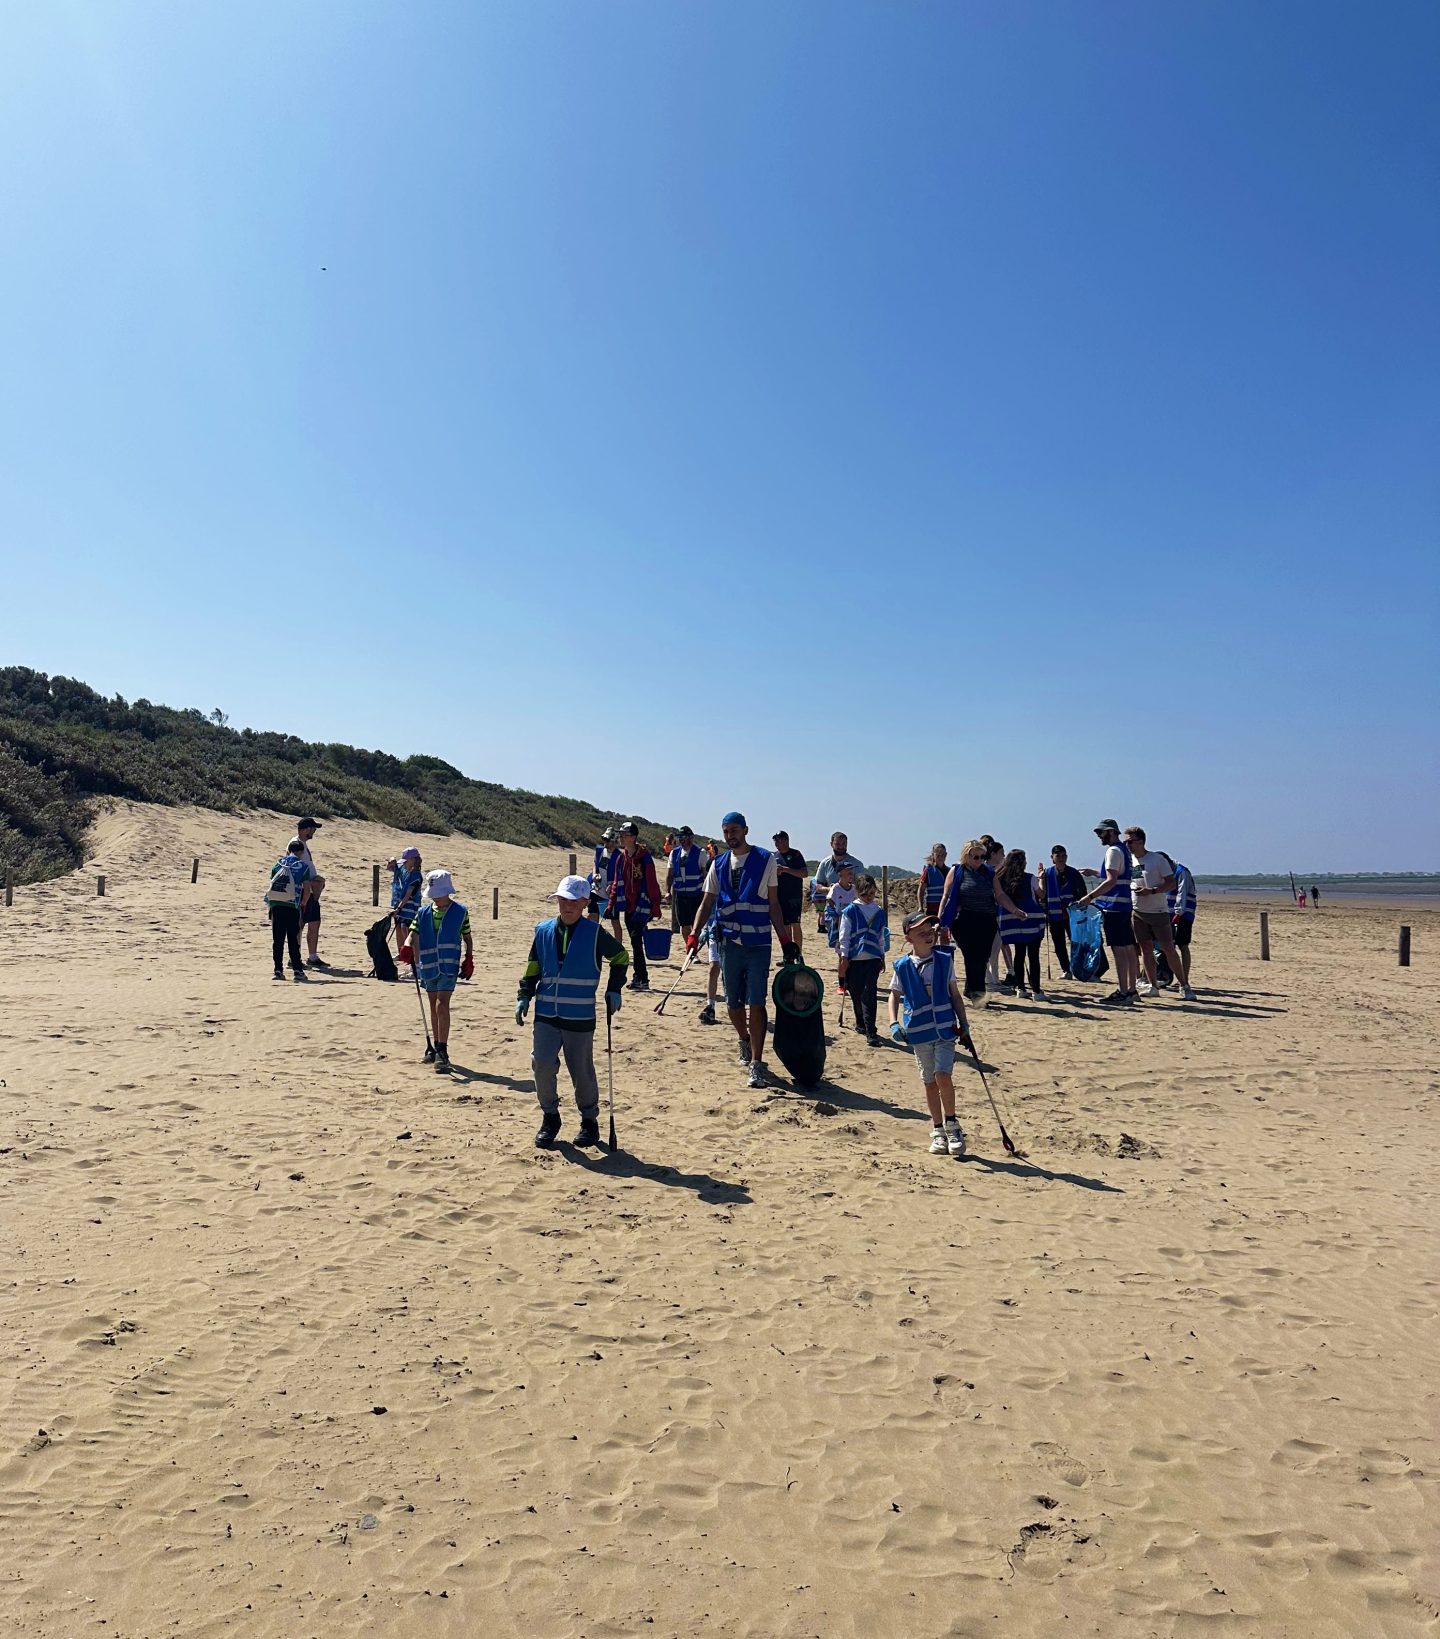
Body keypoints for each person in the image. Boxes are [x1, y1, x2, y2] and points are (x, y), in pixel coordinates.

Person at [685, 812, 797, 1090]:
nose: (730, 835)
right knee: (733, 1004)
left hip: (759, 943)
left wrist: (785, 940)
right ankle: (744, 1039)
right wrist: (694, 933)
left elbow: (773, 904)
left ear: (745, 830)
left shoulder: (765, 860)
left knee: (756, 1002)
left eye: (734, 830)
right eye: (726, 831)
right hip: (729, 944)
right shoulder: (718, 863)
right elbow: (707, 902)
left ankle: (757, 1063)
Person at [516, 874, 629, 1148]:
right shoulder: (543, 931)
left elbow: (621, 957)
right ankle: (550, 1117)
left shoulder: (595, 933)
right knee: (542, 1064)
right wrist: (524, 996)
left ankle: (589, 1121)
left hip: (579, 1016)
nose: (567, 906)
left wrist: (614, 988)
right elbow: (533, 967)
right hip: (546, 1014)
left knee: (582, 1071)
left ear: (585, 903)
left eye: (574, 902)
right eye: (563, 900)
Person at [888, 910, 975, 1158]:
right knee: (929, 1082)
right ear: (909, 938)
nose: (929, 936)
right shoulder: (902, 966)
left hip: (945, 1030)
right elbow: (894, 995)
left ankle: (952, 1125)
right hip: (919, 1033)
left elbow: (954, 995)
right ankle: (937, 1130)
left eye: (931, 931)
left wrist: (964, 1024)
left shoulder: (945, 960)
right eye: (922, 933)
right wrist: (894, 1023)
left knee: (942, 1075)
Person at [397, 870, 474, 1072]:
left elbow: (467, 936)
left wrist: (469, 957)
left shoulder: (460, 912)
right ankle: (435, 1045)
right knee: (433, 1005)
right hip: (428, 965)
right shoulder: (423, 912)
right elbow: (413, 932)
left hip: (449, 966)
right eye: (433, 895)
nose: (436, 898)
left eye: (439, 894)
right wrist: (407, 946)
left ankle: (442, 1050)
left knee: (442, 1004)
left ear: (447, 892)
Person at [937, 839, 1024, 1001]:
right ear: (966, 856)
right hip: (964, 920)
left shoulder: (989, 872)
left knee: (982, 957)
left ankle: (970, 990)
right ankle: (979, 994)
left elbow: (999, 894)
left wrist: (1014, 910)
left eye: (982, 857)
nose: (979, 860)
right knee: (971, 956)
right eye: (975, 857)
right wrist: (940, 919)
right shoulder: (957, 871)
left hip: (987, 920)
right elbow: (946, 896)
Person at [1120, 826, 1197, 1001]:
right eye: (1126, 842)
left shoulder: (1157, 859)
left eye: (1130, 841)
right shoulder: (1132, 861)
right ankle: (1153, 986)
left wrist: (1152, 891)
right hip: (1138, 912)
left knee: (1168, 949)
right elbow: (1133, 879)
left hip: (1159, 912)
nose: (1127, 845)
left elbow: (1171, 883)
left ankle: (1184, 986)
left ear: (1141, 841)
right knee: (1146, 949)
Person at [1075, 820, 1139, 1005]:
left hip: (1113, 907)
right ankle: (1131, 989)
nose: (1099, 837)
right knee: (1128, 948)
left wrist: (1090, 897)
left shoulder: (1113, 851)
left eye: (1101, 833)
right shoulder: (1124, 851)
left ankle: (1124, 991)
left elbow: (1111, 880)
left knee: (1119, 950)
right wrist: (1096, 873)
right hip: (1124, 906)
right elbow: (1118, 876)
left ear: (1110, 832)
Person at [608, 822, 663, 992]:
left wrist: (656, 906)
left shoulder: (645, 858)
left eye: (624, 835)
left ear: (633, 837)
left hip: (642, 906)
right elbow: (616, 883)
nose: (621, 838)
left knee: (636, 940)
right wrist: (611, 904)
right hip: (628, 907)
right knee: (635, 942)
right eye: (620, 835)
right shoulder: (621, 858)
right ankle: (639, 977)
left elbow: (652, 883)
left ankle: (642, 978)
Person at [837, 874, 889, 1044]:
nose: (869, 897)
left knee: (869, 993)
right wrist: (844, 956)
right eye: (865, 894)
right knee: (855, 992)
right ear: (857, 892)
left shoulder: (879, 912)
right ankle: (860, 1021)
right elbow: (844, 935)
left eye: (872, 893)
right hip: (854, 959)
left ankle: (871, 1031)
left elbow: (881, 936)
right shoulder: (850, 911)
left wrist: (882, 955)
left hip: (873, 958)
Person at [996, 849, 1048, 999]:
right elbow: (1041, 894)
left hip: (1014, 923)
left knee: (1019, 954)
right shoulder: (1029, 878)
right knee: (1033, 956)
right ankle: (1036, 990)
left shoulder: (1001, 879)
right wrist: (1041, 878)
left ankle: (1021, 988)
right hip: (1031, 921)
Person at [265, 838, 314, 981]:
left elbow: (273, 884)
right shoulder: (303, 866)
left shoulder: (277, 864)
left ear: (288, 850)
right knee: (293, 938)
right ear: (301, 852)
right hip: (292, 905)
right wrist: (303, 903)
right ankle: (298, 971)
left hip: (276, 904)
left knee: (278, 939)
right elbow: (307, 889)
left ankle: (278, 970)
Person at [1042, 846, 1087, 977]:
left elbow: (1082, 893)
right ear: (1052, 858)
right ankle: (1066, 970)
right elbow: (1043, 895)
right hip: (1054, 915)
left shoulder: (1073, 873)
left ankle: (1078, 968)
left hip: (1072, 915)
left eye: (1063, 856)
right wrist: (1044, 910)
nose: (1061, 858)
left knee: (1076, 942)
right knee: (1059, 944)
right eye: (1058, 856)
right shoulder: (1046, 874)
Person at [811, 832, 864, 931]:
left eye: (843, 844)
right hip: (832, 910)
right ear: (831, 844)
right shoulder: (825, 863)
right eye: (838, 844)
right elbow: (818, 886)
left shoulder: (857, 864)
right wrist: (831, 889)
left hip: (852, 910)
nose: (841, 847)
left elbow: (862, 887)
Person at [665, 827, 707, 941]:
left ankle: (694, 945)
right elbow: (669, 875)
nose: (682, 840)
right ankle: (689, 947)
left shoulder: (701, 853)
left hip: (696, 895)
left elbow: (706, 875)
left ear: (691, 838)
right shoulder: (674, 853)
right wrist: (667, 891)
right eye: (680, 838)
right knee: (684, 924)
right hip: (680, 895)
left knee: (696, 924)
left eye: (685, 837)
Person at [295, 818, 327, 968]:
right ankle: (295, 956)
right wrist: (310, 881)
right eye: (313, 829)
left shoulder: (303, 844)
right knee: (299, 924)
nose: (314, 832)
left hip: (311, 891)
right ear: (306, 829)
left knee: (314, 922)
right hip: (303, 890)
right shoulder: (296, 844)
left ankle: (312, 956)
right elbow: (295, 867)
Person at [772, 831, 809, 955]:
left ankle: (798, 954)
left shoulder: (796, 854)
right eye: (776, 841)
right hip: (779, 895)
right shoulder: (774, 856)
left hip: (794, 896)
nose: (777, 843)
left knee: (795, 924)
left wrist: (786, 870)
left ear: (786, 841)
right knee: (784, 926)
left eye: (780, 840)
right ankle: (788, 955)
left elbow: (804, 873)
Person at [387, 846, 423, 972]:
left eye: (406, 861)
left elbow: (408, 895)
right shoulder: (402, 868)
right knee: (399, 927)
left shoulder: (416, 875)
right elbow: (390, 867)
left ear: (413, 860)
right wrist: (391, 859)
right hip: (399, 904)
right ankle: (402, 953)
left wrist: (399, 908)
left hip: (410, 906)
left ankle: (411, 958)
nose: (404, 863)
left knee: (407, 930)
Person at [1167, 859, 1197, 987]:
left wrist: (1179, 912)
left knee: (1183, 945)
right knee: (1166, 946)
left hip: (1183, 914)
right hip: (1167, 912)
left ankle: (1184, 979)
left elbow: (1182, 892)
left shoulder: (1182, 872)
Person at [697, 909, 723, 1025]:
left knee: (731, 974)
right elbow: (706, 907)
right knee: (713, 969)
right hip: (714, 933)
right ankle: (710, 1006)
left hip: (732, 935)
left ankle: (738, 1005)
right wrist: (705, 928)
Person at [824, 863, 859, 949]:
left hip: (850, 918)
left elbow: (857, 903)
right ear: (840, 874)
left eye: (852, 873)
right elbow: (829, 902)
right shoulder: (836, 888)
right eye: (848, 873)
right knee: (839, 943)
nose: (851, 875)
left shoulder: (853, 889)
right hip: (838, 919)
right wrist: (834, 916)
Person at [589, 827, 618, 922]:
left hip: (610, 894)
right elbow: (595, 863)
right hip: (596, 890)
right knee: (593, 916)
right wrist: (594, 874)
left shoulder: (619, 856)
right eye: (604, 839)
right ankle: (593, 932)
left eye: (607, 840)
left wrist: (613, 885)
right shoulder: (600, 850)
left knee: (615, 921)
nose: (605, 842)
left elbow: (622, 875)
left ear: (614, 841)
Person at [919, 845, 948, 921]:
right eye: (938, 855)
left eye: (943, 855)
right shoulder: (928, 870)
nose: (941, 857)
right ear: (933, 855)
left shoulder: (950, 871)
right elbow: (921, 890)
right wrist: (920, 907)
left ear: (946, 855)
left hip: (946, 908)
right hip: (932, 909)